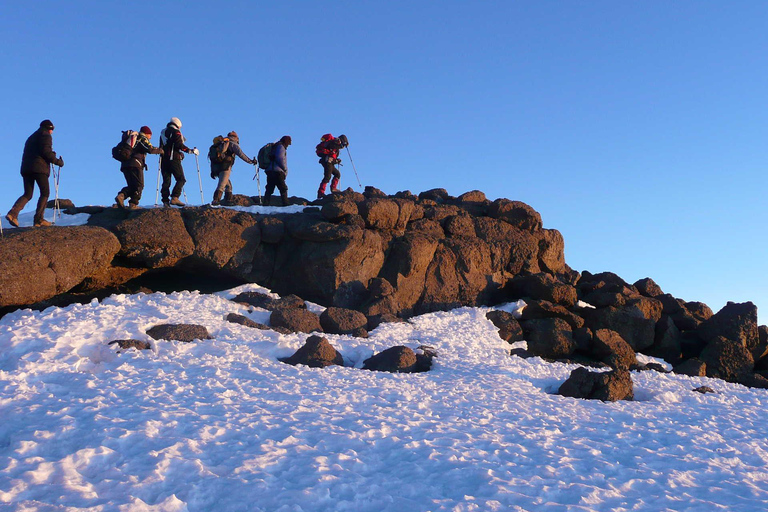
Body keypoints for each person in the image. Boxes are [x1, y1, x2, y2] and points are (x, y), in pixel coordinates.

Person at [5, 119, 64, 228]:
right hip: (39, 169)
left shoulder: (31, 137)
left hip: (26, 168)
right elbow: (46, 152)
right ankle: (39, 220)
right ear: (49, 128)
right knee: (45, 193)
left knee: (28, 194)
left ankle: (13, 214)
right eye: (52, 129)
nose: (52, 132)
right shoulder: (46, 136)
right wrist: (58, 161)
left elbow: (38, 151)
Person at [115, 126, 163, 209]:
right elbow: (150, 149)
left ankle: (121, 195)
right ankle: (133, 204)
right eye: (150, 135)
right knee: (139, 185)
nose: (150, 138)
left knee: (132, 185)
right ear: (147, 134)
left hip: (125, 164)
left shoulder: (130, 139)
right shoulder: (141, 138)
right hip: (135, 164)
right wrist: (161, 150)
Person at [159, 117, 197, 207]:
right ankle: (175, 197)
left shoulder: (163, 132)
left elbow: (163, 146)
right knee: (181, 179)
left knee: (166, 181)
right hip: (174, 159)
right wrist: (189, 150)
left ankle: (165, 201)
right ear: (178, 125)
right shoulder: (176, 132)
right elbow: (179, 144)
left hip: (164, 160)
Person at [210, 131, 256, 205]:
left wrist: (212, 171)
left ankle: (228, 201)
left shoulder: (221, 144)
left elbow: (212, 159)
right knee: (222, 185)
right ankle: (216, 200)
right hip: (225, 166)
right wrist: (250, 161)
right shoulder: (232, 143)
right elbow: (241, 154)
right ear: (236, 137)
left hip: (217, 168)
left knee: (228, 185)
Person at [315, 133, 348, 199]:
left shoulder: (335, 148)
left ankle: (332, 189)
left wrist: (336, 160)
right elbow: (331, 154)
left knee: (337, 174)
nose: (342, 147)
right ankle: (321, 192)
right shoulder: (334, 143)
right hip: (327, 162)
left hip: (329, 162)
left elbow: (332, 157)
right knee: (327, 176)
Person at [263, 135, 291, 206]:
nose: (288, 145)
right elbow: (280, 158)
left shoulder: (274, 147)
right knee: (283, 188)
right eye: (289, 143)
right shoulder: (281, 147)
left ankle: (265, 204)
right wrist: (285, 169)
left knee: (269, 188)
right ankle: (286, 204)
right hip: (277, 171)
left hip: (270, 170)